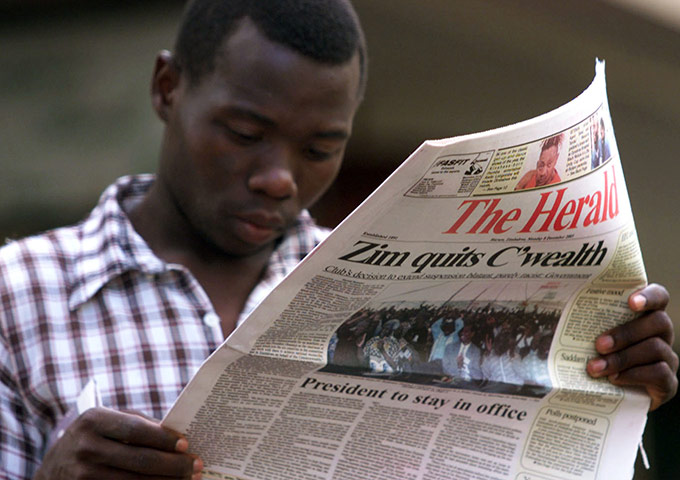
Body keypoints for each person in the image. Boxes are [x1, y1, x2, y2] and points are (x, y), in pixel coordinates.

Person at [0, 1, 676, 479]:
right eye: (243, 134)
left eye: (321, 148)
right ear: (167, 87)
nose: (278, 179)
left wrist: (609, 385)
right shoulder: (16, 293)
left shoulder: (388, 288)